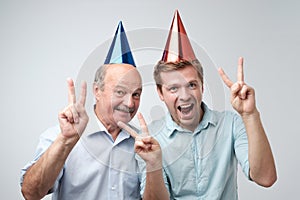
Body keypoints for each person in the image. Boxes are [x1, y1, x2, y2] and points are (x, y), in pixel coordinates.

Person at [119, 10, 277, 200]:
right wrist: (154, 164)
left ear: (202, 86)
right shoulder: (150, 138)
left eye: (191, 85)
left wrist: (250, 115)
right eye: (173, 88)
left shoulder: (230, 124)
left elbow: (266, 178)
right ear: (160, 93)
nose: (185, 96)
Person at [20, 21, 143, 200]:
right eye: (120, 92)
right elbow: (31, 193)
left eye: (136, 94)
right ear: (97, 91)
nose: (130, 103)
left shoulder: (142, 144)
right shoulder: (60, 136)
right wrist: (65, 141)